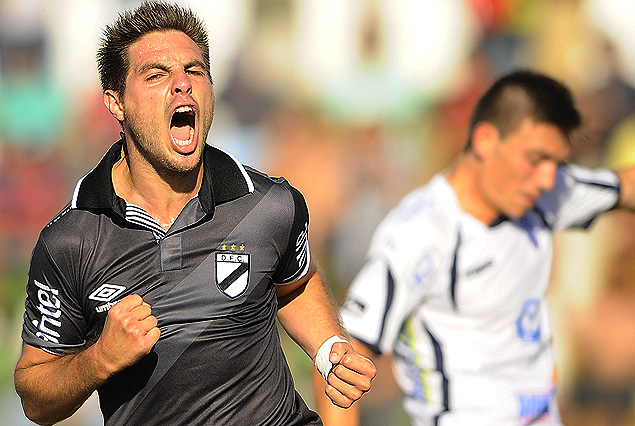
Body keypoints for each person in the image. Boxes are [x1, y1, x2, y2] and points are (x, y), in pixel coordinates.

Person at [13, 2, 375, 426]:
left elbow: (295, 282)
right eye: (156, 75)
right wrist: (98, 360)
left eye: (195, 71)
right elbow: (35, 399)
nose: (182, 85)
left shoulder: (270, 203)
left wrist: (329, 347)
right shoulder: (71, 240)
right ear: (116, 103)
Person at [314, 69, 635, 426]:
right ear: (485, 141)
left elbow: (624, 185)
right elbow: (341, 354)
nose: (548, 177)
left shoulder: (544, 193)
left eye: (557, 163)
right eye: (535, 158)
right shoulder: (422, 232)